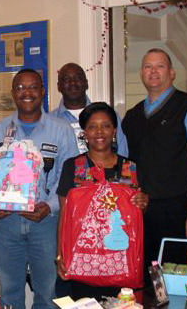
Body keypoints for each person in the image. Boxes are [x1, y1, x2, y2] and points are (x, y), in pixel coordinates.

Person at [0, 69, 78, 309]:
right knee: (9, 291)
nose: (27, 93)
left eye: (33, 87)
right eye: (20, 88)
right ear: (13, 93)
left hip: (46, 223)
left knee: (47, 293)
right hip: (7, 222)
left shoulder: (61, 130)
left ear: (42, 92)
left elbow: (69, 177)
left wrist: (49, 207)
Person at [121, 48, 187, 282]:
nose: (153, 71)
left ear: (172, 73)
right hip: (141, 214)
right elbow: (125, 165)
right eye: (147, 66)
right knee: (144, 281)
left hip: (178, 213)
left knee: (177, 281)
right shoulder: (132, 117)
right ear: (142, 74)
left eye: (160, 66)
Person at [55, 102, 148, 300]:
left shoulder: (130, 168)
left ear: (114, 130)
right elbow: (64, 215)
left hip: (121, 262)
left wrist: (143, 203)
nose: (99, 131)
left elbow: (139, 211)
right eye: (92, 126)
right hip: (84, 261)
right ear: (84, 133)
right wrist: (60, 255)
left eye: (105, 125)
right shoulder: (73, 166)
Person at [50, 63, 128, 157]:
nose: (73, 83)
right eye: (66, 79)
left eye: (78, 78)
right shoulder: (50, 122)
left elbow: (122, 155)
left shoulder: (108, 116)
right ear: (59, 86)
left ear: (86, 83)